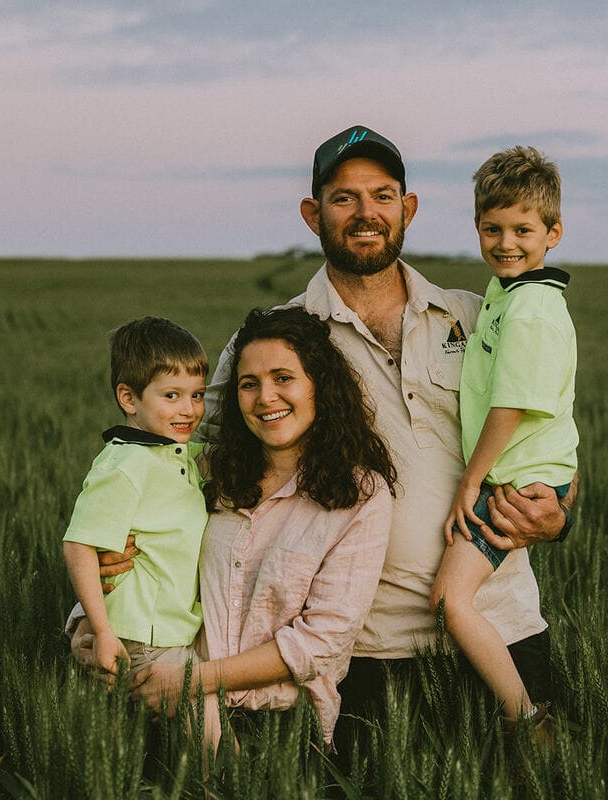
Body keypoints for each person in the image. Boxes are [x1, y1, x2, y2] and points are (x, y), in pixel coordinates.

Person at [86, 124, 575, 740]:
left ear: (409, 208)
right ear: (312, 213)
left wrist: (558, 510)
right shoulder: (277, 342)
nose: (366, 212)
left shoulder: (478, 315)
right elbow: (181, 452)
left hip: (498, 629)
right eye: (344, 198)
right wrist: (120, 542)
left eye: (383, 194)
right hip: (361, 655)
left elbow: (545, 421)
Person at [123, 306, 398, 748]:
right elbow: (132, 554)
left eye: (283, 378)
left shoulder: (360, 494)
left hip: (281, 731)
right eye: (249, 384)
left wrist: (195, 680)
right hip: (173, 711)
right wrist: (88, 626)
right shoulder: (202, 471)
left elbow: (320, 640)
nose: (265, 397)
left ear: (319, 387)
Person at [430, 146, 577, 726]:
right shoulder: (507, 295)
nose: (505, 242)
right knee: (453, 599)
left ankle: (525, 717)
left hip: (513, 485)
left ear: (554, 232)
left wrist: (471, 481)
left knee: (448, 600)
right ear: (476, 228)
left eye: (523, 229)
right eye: (492, 229)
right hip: (520, 474)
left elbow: (510, 405)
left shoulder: (532, 309)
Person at [62, 316, 209, 679]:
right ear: (128, 398)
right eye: (171, 395)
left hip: (171, 633)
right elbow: (79, 545)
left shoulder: (172, 452)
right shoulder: (125, 464)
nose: (188, 409)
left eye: (197, 395)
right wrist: (102, 631)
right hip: (140, 638)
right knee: (213, 736)